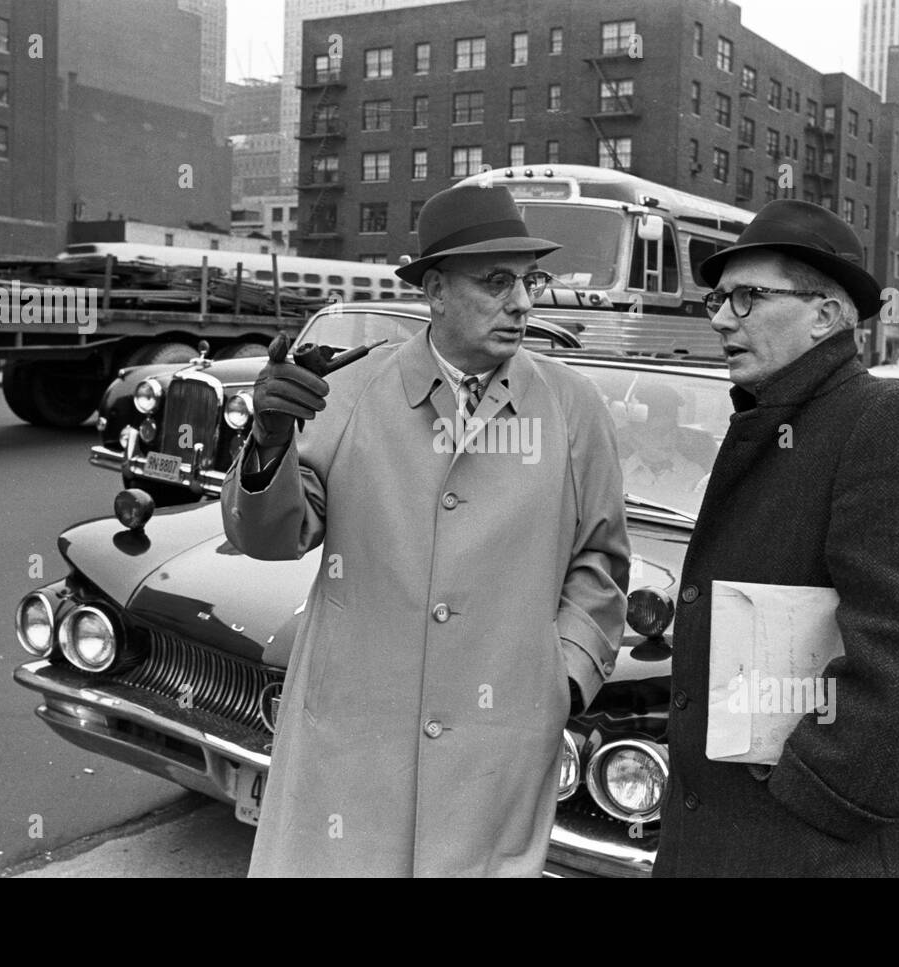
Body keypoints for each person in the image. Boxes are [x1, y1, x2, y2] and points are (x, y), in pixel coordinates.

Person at [221, 184, 630, 877]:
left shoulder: (572, 407)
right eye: (496, 282)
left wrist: (560, 676)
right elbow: (271, 537)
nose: (523, 302)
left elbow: (601, 561)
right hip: (351, 754)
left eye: (528, 280)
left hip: (496, 750)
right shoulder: (350, 391)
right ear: (435, 291)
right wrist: (266, 443)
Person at [653, 199, 899, 877]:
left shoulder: (887, 420)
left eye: (747, 296)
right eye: (718, 297)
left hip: (820, 847)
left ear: (826, 315)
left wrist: (818, 794)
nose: (719, 316)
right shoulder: (777, 419)